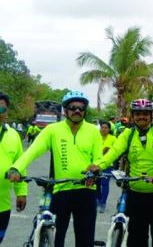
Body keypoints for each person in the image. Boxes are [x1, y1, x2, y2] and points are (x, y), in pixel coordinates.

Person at [7, 90, 102, 247]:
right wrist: (16, 168)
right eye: (72, 107)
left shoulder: (93, 130)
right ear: (65, 110)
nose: (77, 110)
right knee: (56, 239)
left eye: (81, 108)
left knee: (85, 240)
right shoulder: (53, 130)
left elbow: (98, 158)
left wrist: (95, 170)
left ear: (85, 111)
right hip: (60, 190)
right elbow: (32, 151)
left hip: (86, 190)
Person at [92, 98, 153, 247]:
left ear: (151, 115)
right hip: (135, 194)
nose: (142, 117)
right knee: (136, 237)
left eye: (145, 113)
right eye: (138, 113)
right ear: (133, 115)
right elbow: (114, 152)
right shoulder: (127, 134)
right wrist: (98, 166)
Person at [0, 92, 27, 244]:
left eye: (1, 109)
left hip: (2, 207)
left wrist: (21, 192)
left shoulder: (13, 136)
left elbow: (20, 165)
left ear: (6, 112)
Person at [96, 120, 117, 213]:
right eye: (102, 127)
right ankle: (97, 201)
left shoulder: (113, 138)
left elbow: (116, 150)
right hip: (96, 165)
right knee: (96, 184)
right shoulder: (96, 137)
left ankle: (103, 203)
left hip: (108, 165)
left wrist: (109, 150)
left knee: (104, 184)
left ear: (109, 129)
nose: (103, 129)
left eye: (106, 128)